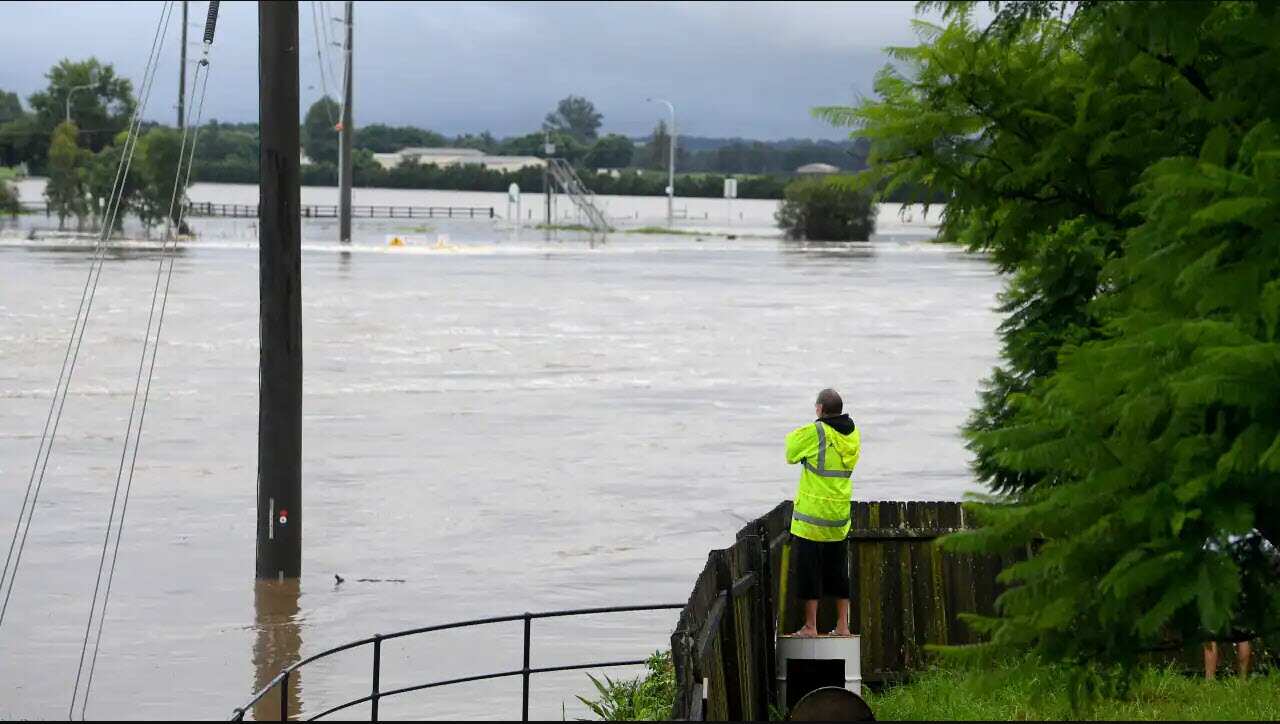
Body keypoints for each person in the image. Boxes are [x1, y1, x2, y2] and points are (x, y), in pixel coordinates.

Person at [785, 388, 861, 638]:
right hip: (838, 518)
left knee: (810, 573)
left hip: (812, 519)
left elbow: (790, 451)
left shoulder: (817, 432)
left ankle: (810, 627)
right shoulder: (853, 435)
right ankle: (842, 626)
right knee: (839, 574)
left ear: (819, 409)